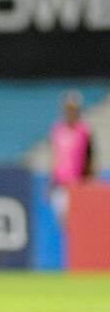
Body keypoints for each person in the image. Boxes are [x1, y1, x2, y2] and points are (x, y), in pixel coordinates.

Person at [49, 91, 96, 227]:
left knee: (78, 223)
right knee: (63, 222)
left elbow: (90, 156)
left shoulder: (83, 130)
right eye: (67, 109)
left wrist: (89, 180)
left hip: (78, 184)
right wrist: (51, 180)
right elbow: (55, 156)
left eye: (73, 110)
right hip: (60, 184)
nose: (70, 113)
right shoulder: (57, 129)